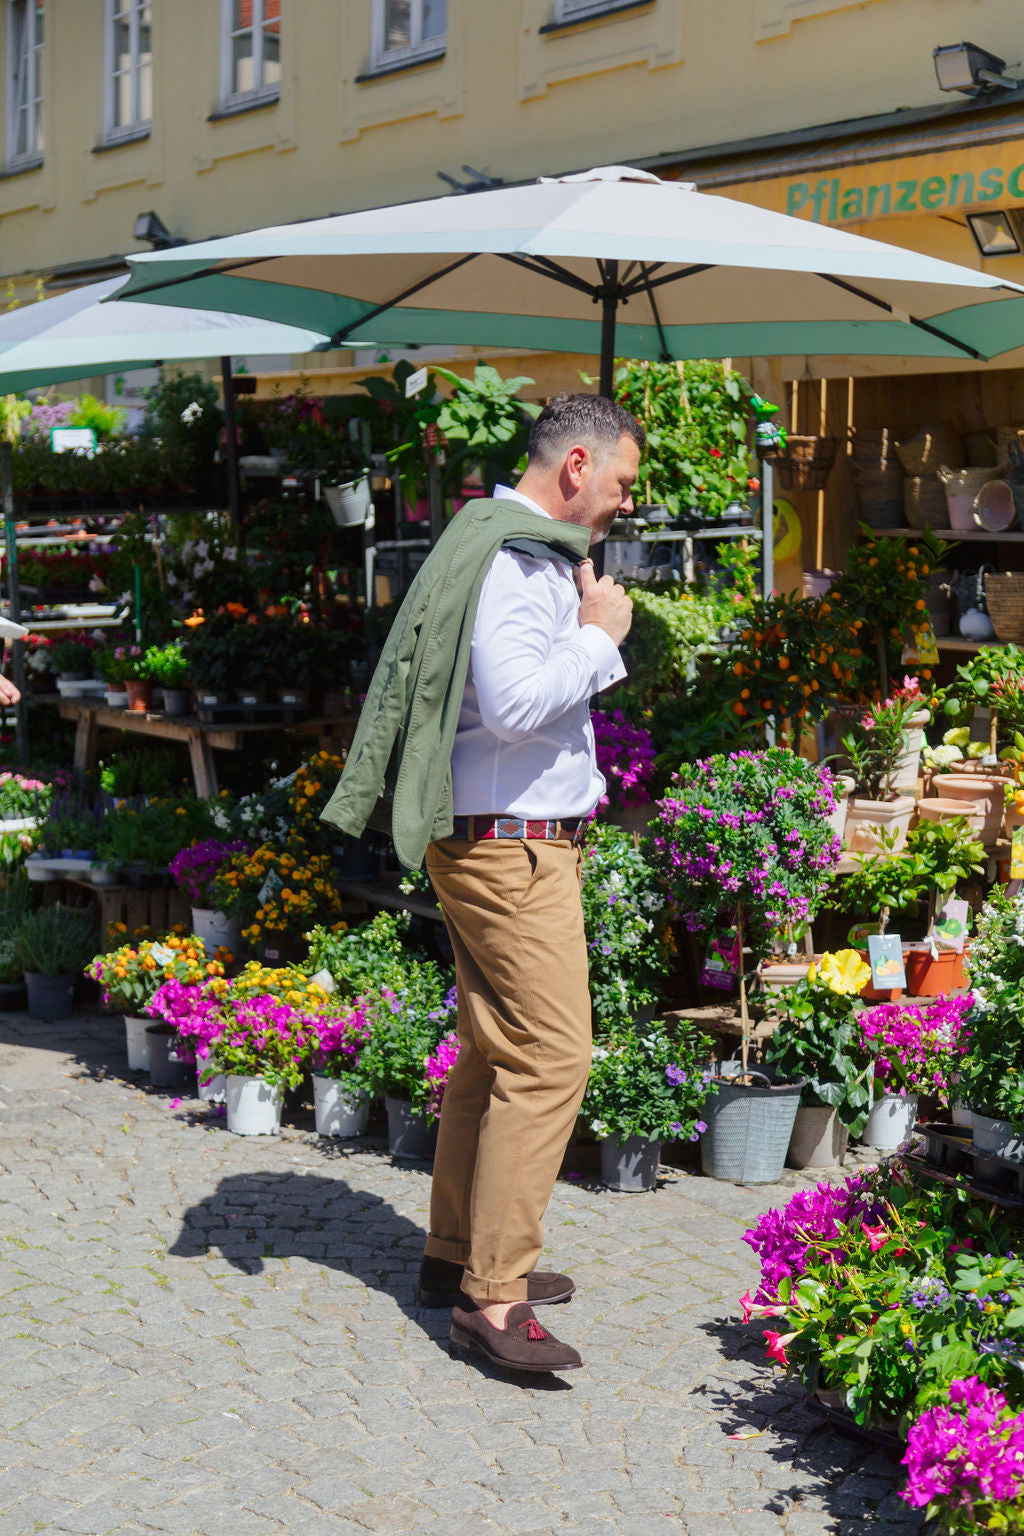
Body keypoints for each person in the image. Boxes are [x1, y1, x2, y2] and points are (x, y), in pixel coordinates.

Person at [416, 393, 642, 1374]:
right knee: (551, 1057)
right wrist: (599, 635)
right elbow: (510, 705)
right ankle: (494, 1299)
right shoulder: (516, 558)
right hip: (511, 844)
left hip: (493, 832)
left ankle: (455, 1253)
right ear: (579, 464)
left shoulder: (504, 543)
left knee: (490, 1047)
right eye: (622, 483)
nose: (624, 504)